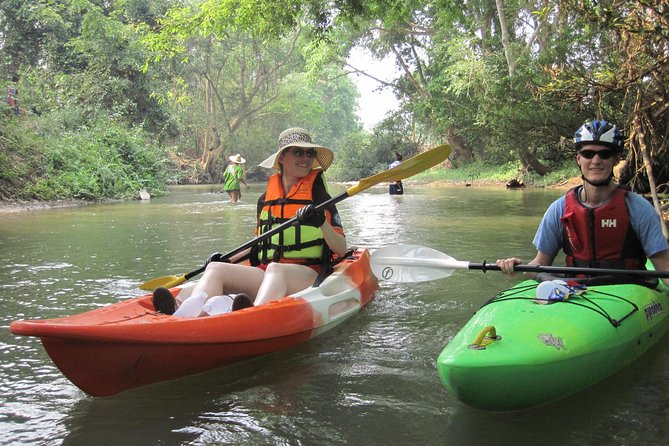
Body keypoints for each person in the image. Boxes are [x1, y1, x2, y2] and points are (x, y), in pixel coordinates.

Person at [152, 127, 347, 316]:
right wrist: (228, 259)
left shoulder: (320, 197)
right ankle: (187, 315)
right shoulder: (265, 200)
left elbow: (340, 249)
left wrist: (321, 222)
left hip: (307, 272)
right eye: (298, 152)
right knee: (215, 269)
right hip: (268, 272)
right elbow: (259, 243)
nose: (305, 159)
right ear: (281, 157)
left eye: (309, 153)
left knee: (275, 269)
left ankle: (249, 317)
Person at [496, 119, 669, 287]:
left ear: (615, 159)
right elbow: (540, 264)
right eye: (588, 154)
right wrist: (517, 269)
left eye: (604, 154)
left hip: (628, 291)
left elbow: (665, 271)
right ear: (578, 158)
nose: (595, 160)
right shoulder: (559, 209)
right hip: (576, 292)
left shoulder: (639, 209)